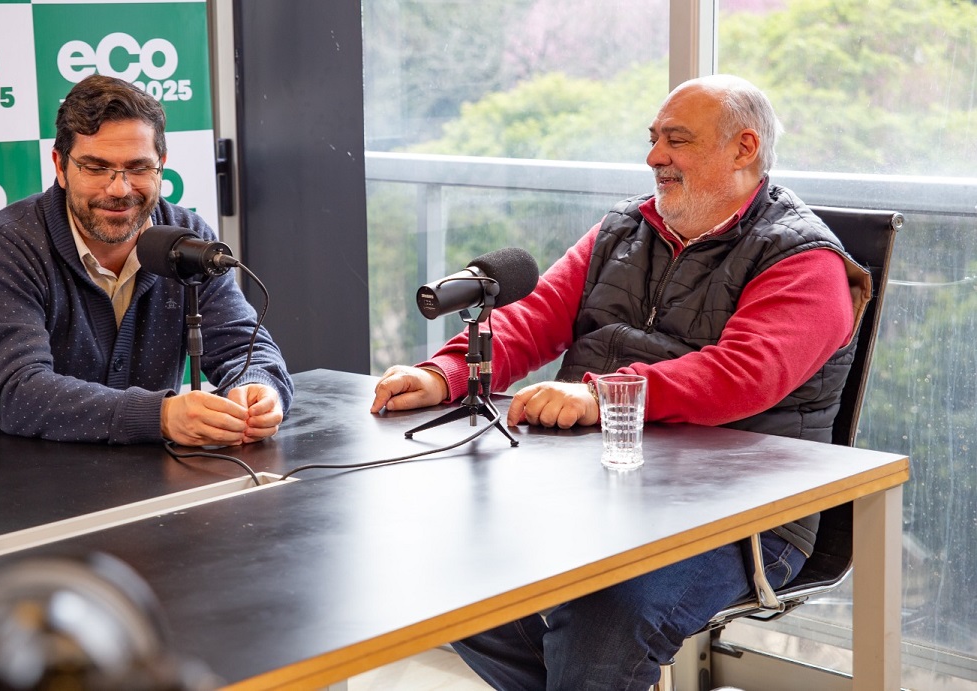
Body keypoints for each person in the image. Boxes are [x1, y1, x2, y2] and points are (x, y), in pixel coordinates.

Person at [370, 74, 871, 689]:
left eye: (676, 140)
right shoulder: (623, 229)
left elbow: (743, 376)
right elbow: (534, 316)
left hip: (740, 513)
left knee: (604, 619)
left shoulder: (806, 261)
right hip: (600, 486)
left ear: (745, 148)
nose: (654, 157)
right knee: (451, 570)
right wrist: (443, 373)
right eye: (653, 139)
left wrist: (600, 395)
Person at [0, 74, 293, 446]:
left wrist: (259, 389)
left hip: (144, 467)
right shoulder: (3, 247)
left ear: (161, 165)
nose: (119, 188)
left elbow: (244, 348)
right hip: (8, 467)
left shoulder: (189, 238)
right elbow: (19, 392)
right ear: (60, 167)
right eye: (96, 168)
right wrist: (160, 415)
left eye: (138, 167)